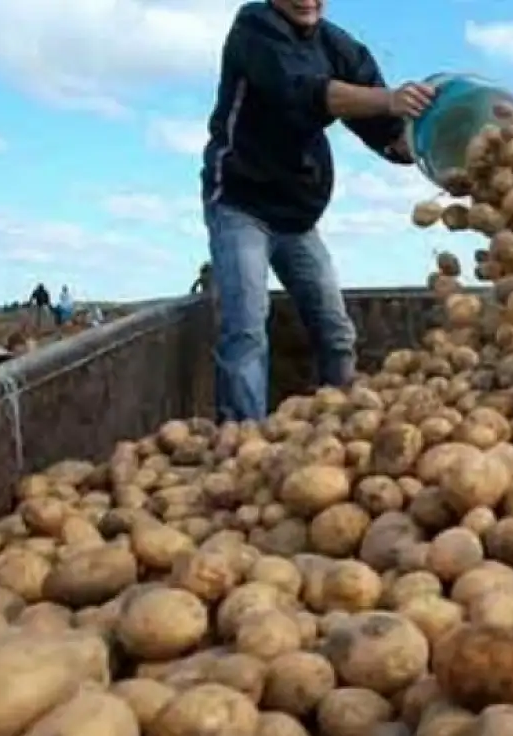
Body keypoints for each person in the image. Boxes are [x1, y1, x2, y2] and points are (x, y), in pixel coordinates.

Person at [200, 0, 437, 423]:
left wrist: (435, 148)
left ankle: (346, 427)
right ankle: (239, 445)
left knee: (336, 333)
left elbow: (387, 131)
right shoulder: (254, 27)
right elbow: (308, 91)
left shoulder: (337, 45)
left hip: (296, 216)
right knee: (246, 331)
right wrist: (391, 99)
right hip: (241, 204)